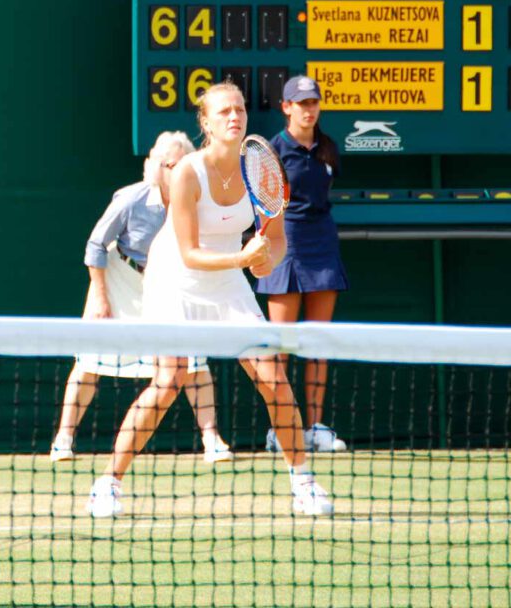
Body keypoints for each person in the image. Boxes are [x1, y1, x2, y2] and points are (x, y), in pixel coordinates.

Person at [87, 82, 334, 519]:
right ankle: (108, 483)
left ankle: (304, 482)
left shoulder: (262, 168)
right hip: (175, 277)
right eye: (223, 112)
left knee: (274, 379)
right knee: (168, 383)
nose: (234, 117)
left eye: (239, 110)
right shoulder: (187, 171)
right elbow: (188, 251)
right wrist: (243, 257)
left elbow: (275, 241)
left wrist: (264, 263)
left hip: (227, 279)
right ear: (205, 122)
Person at [50, 132, 232, 465]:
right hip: (120, 279)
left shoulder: (196, 200)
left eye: (176, 164)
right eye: (165, 164)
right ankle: (64, 439)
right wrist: (100, 296)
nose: (170, 169)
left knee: (194, 363)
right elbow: (94, 246)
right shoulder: (131, 199)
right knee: (89, 363)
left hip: (167, 284)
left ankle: (212, 440)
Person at [258, 75, 349, 454]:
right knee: (280, 346)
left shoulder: (328, 148)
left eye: (314, 102)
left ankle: (313, 427)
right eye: (301, 103)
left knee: (317, 343)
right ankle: (281, 429)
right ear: (286, 107)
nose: (309, 109)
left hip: (322, 244)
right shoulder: (272, 152)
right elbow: (265, 206)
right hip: (286, 244)